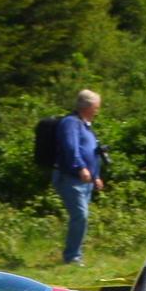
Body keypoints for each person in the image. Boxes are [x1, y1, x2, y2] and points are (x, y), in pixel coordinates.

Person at [52, 89, 104, 265]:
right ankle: (72, 256)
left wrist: (95, 176)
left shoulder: (86, 125)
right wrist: (80, 167)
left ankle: (75, 254)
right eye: (96, 106)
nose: (98, 109)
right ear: (88, 105)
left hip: (85, 180)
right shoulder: (71, 123)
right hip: (70, 177)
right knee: (80, 215)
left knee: (82, 216)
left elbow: (92, 152)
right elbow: (70, 147)